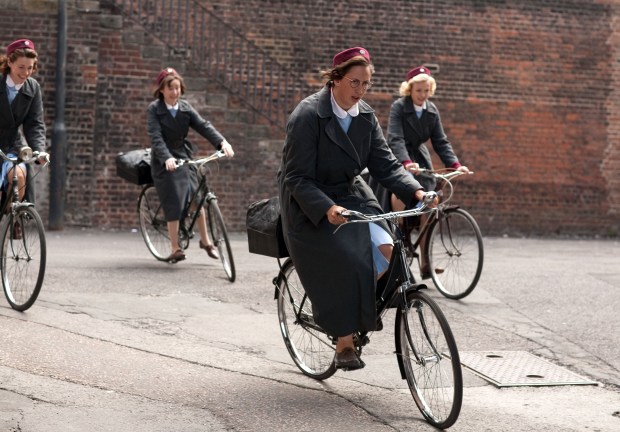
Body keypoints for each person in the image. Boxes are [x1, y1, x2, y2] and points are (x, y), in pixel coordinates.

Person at [278, 47, 432, 371]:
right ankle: (344, 340)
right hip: (310, 201)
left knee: (388, 245)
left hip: (349, 192)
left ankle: (358, 303)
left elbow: (386, 164)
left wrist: (415, 190)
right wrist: (326, 208)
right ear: (335, 79)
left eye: (365, 84)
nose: (360, 91)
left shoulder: (365, 116)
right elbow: (296, 176)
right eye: (354, 82)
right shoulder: (307, 115)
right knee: (347, 255)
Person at [370, 65, 469, 279]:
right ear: (409, 90)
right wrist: (405, 161)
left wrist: (455, 165)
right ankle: (400, 240)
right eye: (418, 91)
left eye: (426, 91)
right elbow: (395, 137)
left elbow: (441, 141)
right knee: (399, 197)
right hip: (398, 157)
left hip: (420, 159)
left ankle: (426, 262)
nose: (423, 95)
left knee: (429, 207)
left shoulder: (431, 111)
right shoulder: (399, 107)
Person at [147, 67, 234, 263]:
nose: (175, 92)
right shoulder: (155, 109)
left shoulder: (185, 108)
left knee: (199, 197)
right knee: (174, 200)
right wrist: (167, 157)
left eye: (177, 88)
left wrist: (222, 143)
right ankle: (175, 247)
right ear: (162, 90)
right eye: (171, 89)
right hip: (164, 161)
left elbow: (203, 125)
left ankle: (206, 241)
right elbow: (156, 137)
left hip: (183, 156)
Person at [0, 39, 49, 238]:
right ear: (9, 62)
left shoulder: (33, 87)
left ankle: (15, 217)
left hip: (13, 144)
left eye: (30, 68)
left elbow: (35, 123)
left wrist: (39, 150)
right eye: (21, 67)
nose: (26, 72)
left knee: (19, 175)